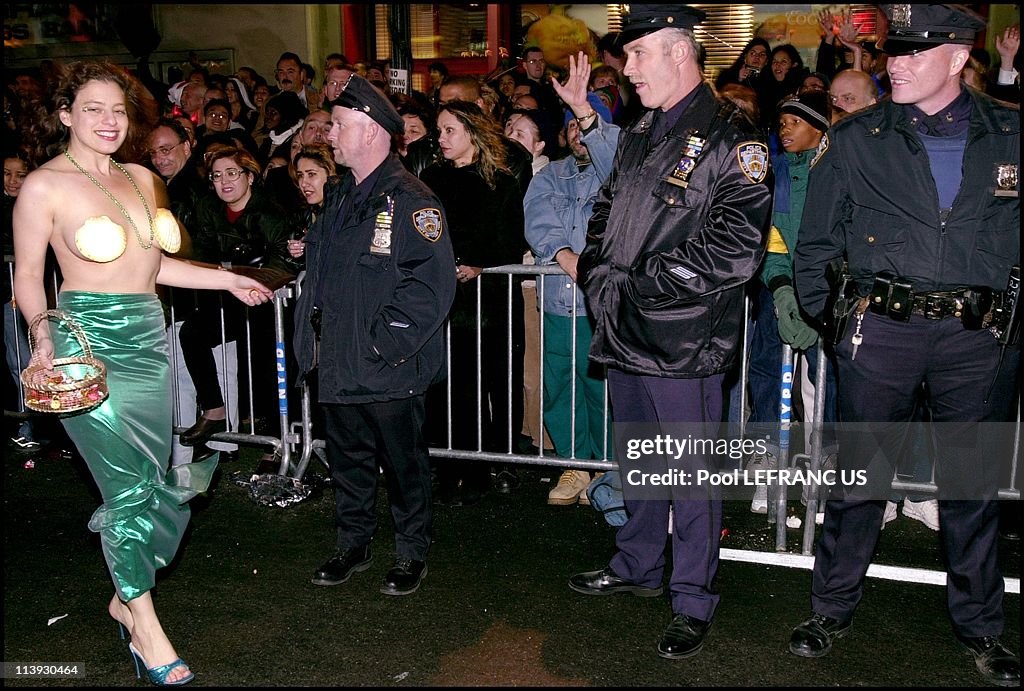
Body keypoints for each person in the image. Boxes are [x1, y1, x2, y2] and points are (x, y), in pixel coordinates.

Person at [12, 60, 272, 686]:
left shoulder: (140, 178)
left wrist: (227, 278)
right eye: (94, 108)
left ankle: (125, 595)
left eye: (119, 110)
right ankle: (145, 624)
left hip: (149, 343)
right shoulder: (43, 187)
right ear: (67, 114)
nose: (108, 121)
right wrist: (43, 331)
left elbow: (153, 267)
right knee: (128, 489)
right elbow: (26, 276)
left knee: (156, 482)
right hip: (86, 343)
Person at [791, 6, 1020, 686]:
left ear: (957, 58)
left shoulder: (1010, 132)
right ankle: (830, 606)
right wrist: (839, 328)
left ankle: (981, 625)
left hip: (977, 341)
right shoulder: (858, 137)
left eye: (918, 51)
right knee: (859, 480)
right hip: (881, 332)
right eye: (896, 49)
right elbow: (815, 247)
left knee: (972, 488)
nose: (897, 61)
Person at [569, 5, 771, 660]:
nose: (626, 69)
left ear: (678, 52)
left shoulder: (731, 136)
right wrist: (603, 278)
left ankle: (691, 596)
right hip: (627, 326)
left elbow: (734, 251)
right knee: (639, 459)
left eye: (637, 55)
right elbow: (605, 215)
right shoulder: (640, 133)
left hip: (684, 339)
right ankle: (637, 563)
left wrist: (639, 284)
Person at [293, 75, 455, 595]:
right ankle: (353, 542)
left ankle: (411, 552)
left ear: (371, 131)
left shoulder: (413, 200)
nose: (330, 136)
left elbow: (429, 284)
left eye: (339, 126)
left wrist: (384, 343)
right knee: (349, 461)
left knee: (405, 467)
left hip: (387, 364)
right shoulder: (341, 195)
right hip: (338, 361)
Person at [420, 99, 528, 505]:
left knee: (495, 380)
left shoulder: (503, 181)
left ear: (472, 132)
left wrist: (479, 264)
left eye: (450, 130)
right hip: (444, 298)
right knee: (450, 384)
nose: (442, 138)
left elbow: (512, 241)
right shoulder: (430, 179)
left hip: (490, 301)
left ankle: (497, 462)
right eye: (440, 130)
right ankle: (451, 463)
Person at [524, 54, 619, 505]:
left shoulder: (617, 172)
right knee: (560, 385)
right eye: (574, 127)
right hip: (560, 299)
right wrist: (564, 256)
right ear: (564, 133)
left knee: (600, 388)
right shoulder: (549, 176)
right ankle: (575, 465)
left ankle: (605, 469)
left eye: (589, 125)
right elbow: (539, 220)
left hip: (602, 304)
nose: (580, 135)